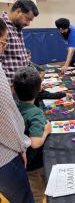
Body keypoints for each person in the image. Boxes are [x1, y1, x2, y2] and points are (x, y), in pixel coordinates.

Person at [0, 19, 34, 203]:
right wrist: (21, 145)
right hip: (5, 155)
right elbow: (5, 116)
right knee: (23, 197)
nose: (4, 48)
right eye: (4, 42)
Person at [13, 67, 52, 203]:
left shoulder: (15, 107)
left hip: (20, 161)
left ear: (14, 90)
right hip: (34, 163)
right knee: (37, 192)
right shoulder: (35, 113)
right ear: (40, 89)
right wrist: (46, 130)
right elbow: (35, 143)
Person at [0, 0, 39, 85]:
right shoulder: (2, 25)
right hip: (10, 86)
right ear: (18, 11)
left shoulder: (18, 26)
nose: (28, 24)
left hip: (22, 85)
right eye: (27, 19)